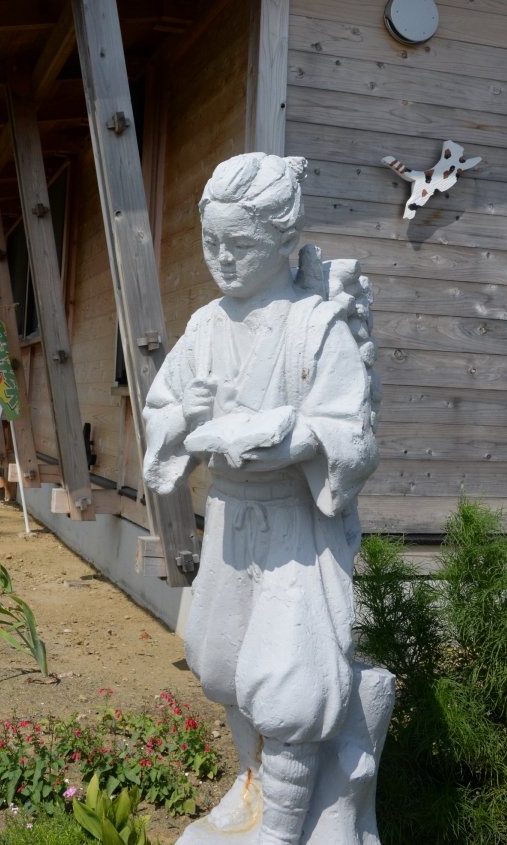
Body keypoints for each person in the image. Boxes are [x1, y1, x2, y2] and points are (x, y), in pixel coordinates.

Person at [143, 153, 381, 844]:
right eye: (212, 242)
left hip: (292, 523)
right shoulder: (206, 324)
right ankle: (251, 782)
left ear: (282, 240)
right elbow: (163, 406)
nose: (222, 258)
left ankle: (282, 824)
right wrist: (186, 414)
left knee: (289, 676)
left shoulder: (316, 325)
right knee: (220, 659)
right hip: (228, 514)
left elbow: (352, 434)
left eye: (239, 245)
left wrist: (289, 436)